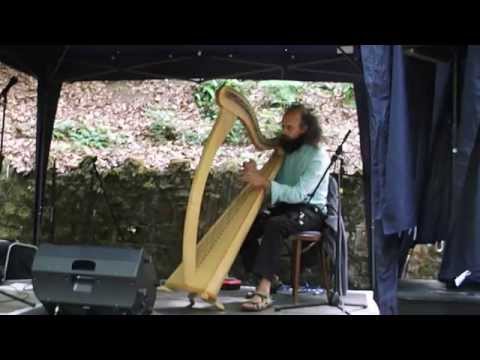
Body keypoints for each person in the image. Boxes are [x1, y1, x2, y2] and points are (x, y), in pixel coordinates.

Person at [239, 104, 330, 312]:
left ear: (304, 129)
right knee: (247, 226)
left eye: (289, 127)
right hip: (287, 207)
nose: (284, 132)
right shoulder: (288, 151)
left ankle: (264, 290)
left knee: (275, 225)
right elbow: (274, 181)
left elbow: (299, 193)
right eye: (283, 126)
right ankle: (273, 279)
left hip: (310, 211)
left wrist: (263, 182)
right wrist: (255, 173)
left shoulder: (318, 156)